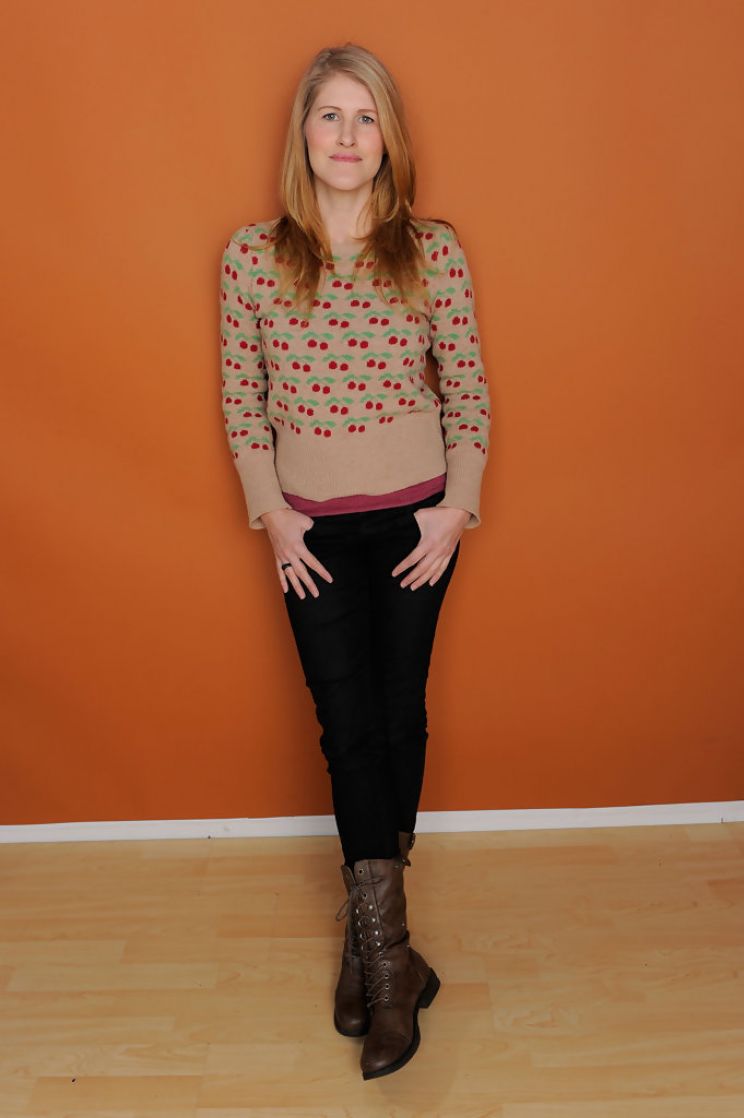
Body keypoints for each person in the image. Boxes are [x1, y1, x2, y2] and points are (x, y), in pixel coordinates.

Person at [219, 42, 491, 1080]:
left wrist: (456, 508)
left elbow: (468, 389)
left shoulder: (433, 250)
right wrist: (273, 517)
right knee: (346, 727)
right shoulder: (253, 257)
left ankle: (375, 953)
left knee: (397, 714)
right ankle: (391, 963)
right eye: (330, 115)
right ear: (304, 133)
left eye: (365, 117)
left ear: (389, 139)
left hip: (417, 525)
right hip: (312, 535)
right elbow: (242, 402)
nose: (347, 135)